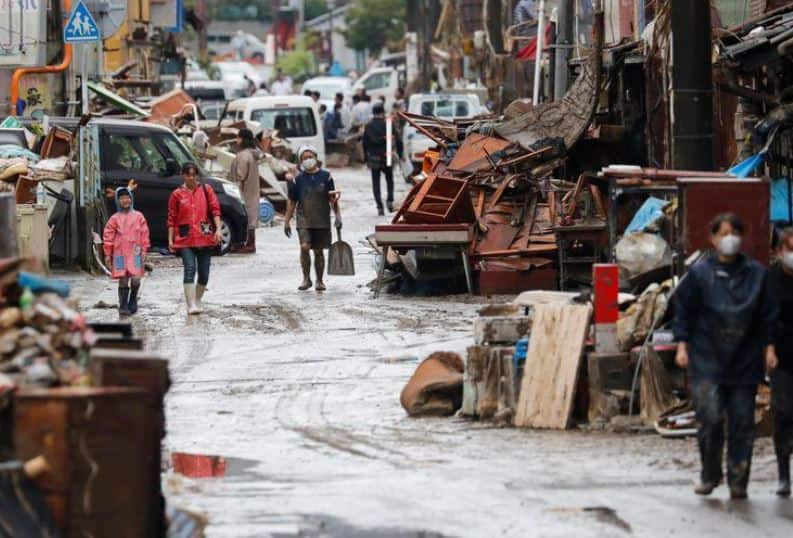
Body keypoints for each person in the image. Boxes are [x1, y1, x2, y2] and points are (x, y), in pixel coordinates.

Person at [674, 213, 777, 499]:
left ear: (741, 237)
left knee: (743, 422)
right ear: (713, 238)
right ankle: (709, 474)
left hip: (744, 360)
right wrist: (682, 345)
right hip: (707, 358)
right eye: (723, 232)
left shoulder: (757, 275)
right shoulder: (698, 275)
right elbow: (684, 312)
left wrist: (769, 348)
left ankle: (738, 479)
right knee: (710, 419)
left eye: (734, 232)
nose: (728, 238)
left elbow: (768, 316)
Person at [283, 146, 342, 291]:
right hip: (304, 219)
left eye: (310, 157)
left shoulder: (326, 177)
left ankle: (319, 281)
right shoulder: (297, 180)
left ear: (315, 158)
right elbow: (292, 202)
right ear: (300, 161)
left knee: (318, 250)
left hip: (322, 219)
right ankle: (306, 278)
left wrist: (338, 216)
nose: (308, 160)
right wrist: (287, 221)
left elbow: (332, 198)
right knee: (304, 247)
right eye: (304, 158)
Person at [168, 163, 222, 314]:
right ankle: (190, 304)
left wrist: (218, 229)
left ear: (197, 175)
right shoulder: (176, 194)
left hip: (205, 236)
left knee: (204, 273)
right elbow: (171, 218)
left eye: (194, 175)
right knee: (190, 268)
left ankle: (197, 299)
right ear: (183, 175)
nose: (191, 178)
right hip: (185, 238)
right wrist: (170, 239)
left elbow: (215, 209)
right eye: (188, 175)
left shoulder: (206, 190)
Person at [769, 228, 793, 497]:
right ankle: (784, 473)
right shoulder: (772, 280)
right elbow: (766, 317)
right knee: (784, 412)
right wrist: (768, 348)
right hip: (782, 356)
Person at [102, 186, 150, 316]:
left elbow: (145, 234)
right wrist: (107, 254)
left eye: (127, 197)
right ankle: (123, 305)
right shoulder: (114, 219)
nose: (125, 200)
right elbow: (108, 236)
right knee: (122, 278)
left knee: (136, 278)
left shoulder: (139, 216)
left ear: (131, 199)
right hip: (119, 253)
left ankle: (133, 299)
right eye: (122, 198)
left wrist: (145, 249)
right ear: (118, 201)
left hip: (136, 251)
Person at [228, 128, 260, 253]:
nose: (237, 140)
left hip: (243, 192)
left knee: (245, 217)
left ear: (242, 139)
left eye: (238, 137)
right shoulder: (252, 154)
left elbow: (240, 176)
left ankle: (247, 244)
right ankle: (248, 243)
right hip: (252, 191)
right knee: (250, 217)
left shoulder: (244, 156)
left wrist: (234, 191)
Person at [363, 103, 397, 216]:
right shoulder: (388, 124)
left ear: (373, 113)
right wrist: (400, 153)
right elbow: (397, 139)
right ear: (383, 112)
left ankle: (380, 207)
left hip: (373, 157)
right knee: (389, 179)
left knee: (376, 182)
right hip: (386, 155)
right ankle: (390, 201)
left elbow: (365, 143)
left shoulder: (368, 126)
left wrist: (365, 158)